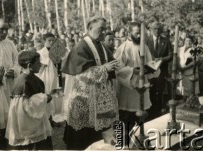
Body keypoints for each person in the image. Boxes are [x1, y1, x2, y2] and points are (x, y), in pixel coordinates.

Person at [61, 16, 119, 150]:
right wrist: (104, 68)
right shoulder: (81, 47)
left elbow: (112, 63)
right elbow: (81, 74)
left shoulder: (102, 45)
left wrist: (118, 66)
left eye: (105, 29)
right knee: (83, 137)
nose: (104, 32)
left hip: (101, 98)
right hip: (85, 97)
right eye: (101, 29)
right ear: (89, 28)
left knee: (100, 135)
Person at [114, 22, 159, 146]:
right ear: (129, 33)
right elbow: (117, 70)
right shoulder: (123, 48)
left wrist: (154, 67)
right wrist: (133, 70)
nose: (139, 36)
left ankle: (138, 143)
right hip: (128, 92)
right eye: (136, 33)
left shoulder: (144, 47)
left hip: (142, 90)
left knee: (141, 122)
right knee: (125, 125)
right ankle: (122, 146)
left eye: (141, 33)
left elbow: (149, 64)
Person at [5, 51, 53, 150]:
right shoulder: (23, 81)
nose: (40, 64)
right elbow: (23, 107)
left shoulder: (31, 78)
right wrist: (44, 98)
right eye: (38, 62)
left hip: (36, 119)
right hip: (29, 124)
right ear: (30, 65)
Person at [146, 21, 173, 119]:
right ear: (151, 29)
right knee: (150, 91)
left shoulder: (166, 41)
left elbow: (171, 55)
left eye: (158, 29)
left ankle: (158, 112)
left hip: (162, 71)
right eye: (155, 29)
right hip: (150, 71)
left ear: (161, 30)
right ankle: (151, 113)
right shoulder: (146, 41)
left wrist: (161, 59)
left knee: (160, 92)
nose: (157, 31)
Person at [0, 19, 19, 102]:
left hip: (9, 82)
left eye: (7, 29)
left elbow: (17, 61)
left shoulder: (10, 43)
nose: (5, 32)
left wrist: (14, 70)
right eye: (2, 29)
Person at [36, 33, 58, 121]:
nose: (51, 42)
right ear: (44, 41)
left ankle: (52, 117)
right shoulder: (40, 53)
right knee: (46, 94)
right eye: (49, 40)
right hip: (44, 75)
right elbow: (39, 67)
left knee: (53, 94)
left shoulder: (55, 51)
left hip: (53, 75)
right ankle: (45, 118)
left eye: (53, 40)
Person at [177, 36, 199, 100]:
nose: (188, 42)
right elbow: (177, 58)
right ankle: (183, 104)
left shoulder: (194, 49)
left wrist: (185, 67)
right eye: (187, 40)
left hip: (190, 72)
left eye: (190, 41)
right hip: (181, 71)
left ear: (192, 42)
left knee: (190, 91)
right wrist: (179, 67)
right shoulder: (180, 49)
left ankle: (189, 103)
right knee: (182, 90)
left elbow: (196, 60)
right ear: (184, 41)